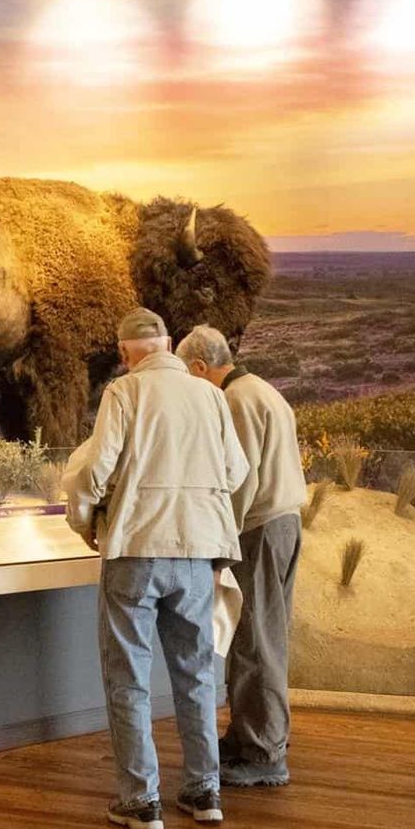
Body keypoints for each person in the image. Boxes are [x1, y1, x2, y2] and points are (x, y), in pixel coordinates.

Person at [63, 308, 249, 829]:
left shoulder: (124, 393)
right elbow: (237, 470)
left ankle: (142, 801)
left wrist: (86, 523)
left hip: (135, 548)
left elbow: (94, 471)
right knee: (195, 676)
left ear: (125, 354)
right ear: (168, 345)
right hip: (196, 552)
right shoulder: (209, 395)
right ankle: (204, 790)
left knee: (129, 678)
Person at [176, 325, 307, 788]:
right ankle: (251, 736)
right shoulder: (263, 390)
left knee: (256, 641)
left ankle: (264, 753)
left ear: (198, 367)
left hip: (259, 530)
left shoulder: (235, 401)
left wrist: (219, 543)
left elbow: (241, 480)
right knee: (262, 636)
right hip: (281, 524)